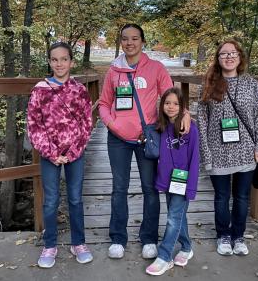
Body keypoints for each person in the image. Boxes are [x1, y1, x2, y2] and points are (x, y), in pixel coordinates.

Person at [98, 23, 190, 260]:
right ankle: (118, 238)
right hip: (117, 139)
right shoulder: (113, 71)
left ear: (143, 41)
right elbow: (104, 103)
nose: (130, 43)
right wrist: (112, 124)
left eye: (135, 38)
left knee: (150, 189)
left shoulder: (156, 68)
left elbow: (172, 98)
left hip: (147, 138)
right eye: (126, 39)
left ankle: (149, 237)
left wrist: (185, 114)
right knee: (119, 188)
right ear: (121, 42)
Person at [197, 39, 258, 256]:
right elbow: (202, 120)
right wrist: (206, 153)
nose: (229, 57)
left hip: (246, 150)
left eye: (233, 53)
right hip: (218, 151)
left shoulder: (251, 84)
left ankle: (238, 236)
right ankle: (223, 236)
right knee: (221, 196)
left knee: (242, 197)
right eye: (224, 54)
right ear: (218, 59)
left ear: (240, 57)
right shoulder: (208, 84)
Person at [27, 42, 93, 268]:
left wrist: (74, 151)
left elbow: (87, 123)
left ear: (71, 62)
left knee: (75, 198)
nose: (59, 64)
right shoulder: (40, 90)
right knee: (51, 201)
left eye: (64, 59)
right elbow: (34, 125)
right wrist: (51, 153)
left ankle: (79, 243)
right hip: (49, 154)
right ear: (49, 62)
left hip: (75, 153)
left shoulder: (79, 90)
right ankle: (50, 245)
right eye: (55, 59)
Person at [145, 87, 199, 276]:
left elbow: (194, 160)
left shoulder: (190, 128)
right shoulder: (162, 127)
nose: (171, 107)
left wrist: (191, 187)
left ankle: (165, 256)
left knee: (173, 217)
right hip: (169, 181)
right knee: (177, 215)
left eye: (176, 104)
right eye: (167, 103)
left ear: (183, 107)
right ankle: (186, 247)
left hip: (183, 181)